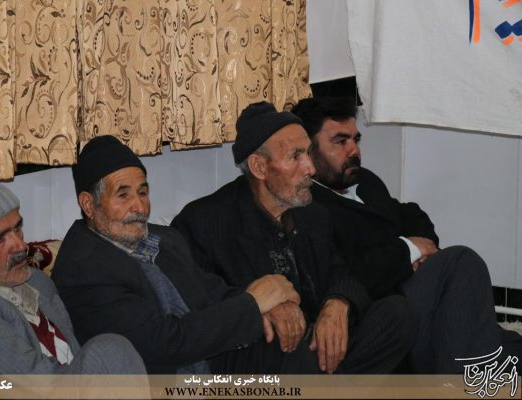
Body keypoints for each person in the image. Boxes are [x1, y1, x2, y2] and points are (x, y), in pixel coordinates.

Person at [172, 101, 417, 374]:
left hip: (313, 346)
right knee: (287, 344)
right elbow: (198, 297)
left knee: (398, 314)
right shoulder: (204, 222)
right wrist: (259, 306)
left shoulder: (313, 214)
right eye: (295, 156)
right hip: (261, 353)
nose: (310, 168)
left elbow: (341, 273)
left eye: (308, 153)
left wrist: (338, 302)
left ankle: (330, 388)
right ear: (259, 167)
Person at [291, 96, 522, 373]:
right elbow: (353, 275)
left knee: (509, 349)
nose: (354, 150)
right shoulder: (310, 206)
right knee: (461, 262)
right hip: (387, 317)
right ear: (308, 150)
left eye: (356, 139)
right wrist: (409, 250)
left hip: (414, 292)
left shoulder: (364, 181)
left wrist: (421, 252)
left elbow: (410, 214)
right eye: (340, 141)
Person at [51, 135, 302, 374]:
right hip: (165, 381)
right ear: (89, 204)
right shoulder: (84, 269)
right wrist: (252, 305)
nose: (139, 207)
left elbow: (212, 292)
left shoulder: (163, 238)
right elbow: (163, 344)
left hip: (208, 359)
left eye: (142, 192)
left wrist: (271, 307)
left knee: (296, 348)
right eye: (123, 195)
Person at [0, 161, 146, 374]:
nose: (20, 245)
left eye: (17, 228)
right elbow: (38, 385)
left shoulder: (37, 281)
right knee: (111, 351)